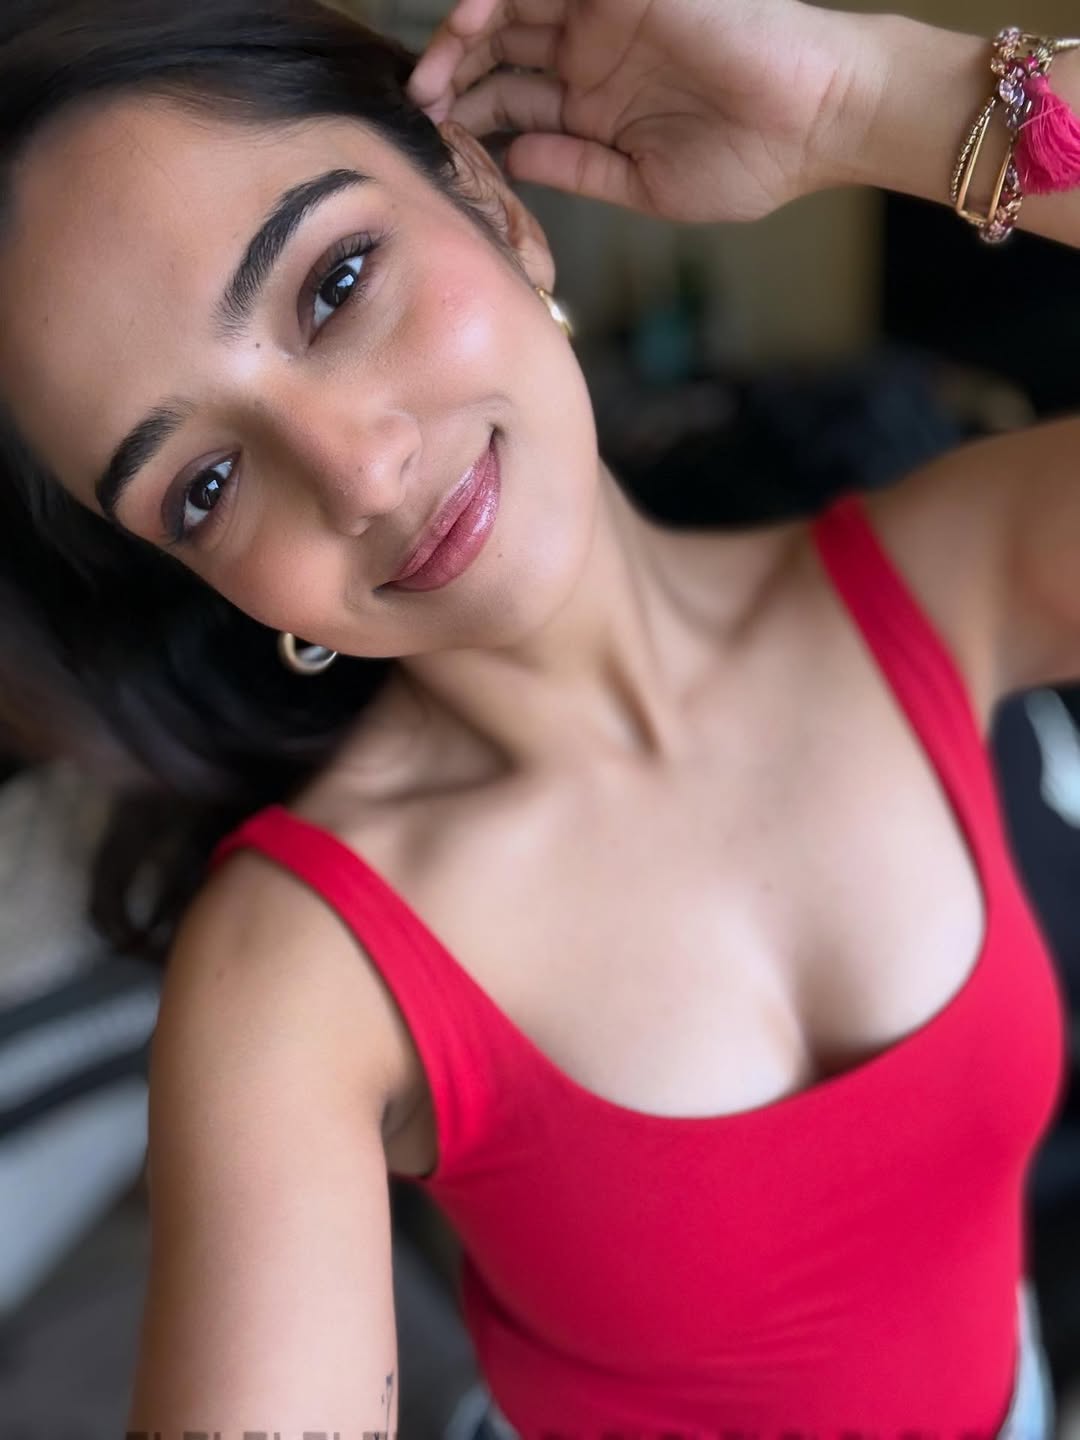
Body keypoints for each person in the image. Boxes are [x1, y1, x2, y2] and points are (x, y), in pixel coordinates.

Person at [0, 0, 1075, 1434]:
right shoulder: (298, 980)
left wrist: (873, 104)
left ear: (492, 204)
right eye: (203, 486)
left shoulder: (939, 577)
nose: (360, 474)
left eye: (334, 283)